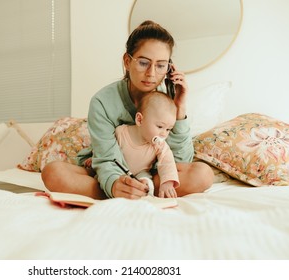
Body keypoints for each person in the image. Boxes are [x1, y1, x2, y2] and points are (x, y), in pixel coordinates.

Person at [41, 20, 214, 200]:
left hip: (151, 175)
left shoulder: (167, 100)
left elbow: (180, 161)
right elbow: (106, 158)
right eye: (144, 63)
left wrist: (179, 107)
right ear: (127, 61)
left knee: (203, 175)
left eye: (161, 65)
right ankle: (124, 191)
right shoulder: (102, 101)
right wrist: (115, 185)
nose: (151, 73)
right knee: (53, 172)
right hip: (106, 173)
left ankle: (141, 189)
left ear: (168, 68)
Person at [115, 90, 179, 198]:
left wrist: (167, 182)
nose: (164, 134)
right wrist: (94, 156)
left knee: (146, 181)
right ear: (139, 120)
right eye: (160, 127)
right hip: (117, 172)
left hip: (141, 173)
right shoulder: (121, 132)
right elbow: (106, 149)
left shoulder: (159, 145)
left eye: (168, 129)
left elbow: (167, 162)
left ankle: (143, 191)